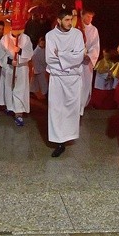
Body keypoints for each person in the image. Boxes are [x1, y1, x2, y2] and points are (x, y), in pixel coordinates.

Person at [45, 8, 87, 157]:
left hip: (73, 79)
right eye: (67, 20)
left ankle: (68, 136)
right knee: (56, 110)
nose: (70, 23)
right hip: (57, 79)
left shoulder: (77, 34)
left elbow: (79, 56)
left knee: (71, 110)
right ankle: (59, 142)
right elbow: (50, 59)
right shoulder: (50, 36)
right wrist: (69, 58)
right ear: (59, 20)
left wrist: (61, 54)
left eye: (71, 20)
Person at [0, 29, 33, 127]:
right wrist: (9, 61)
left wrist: (20, 51)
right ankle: (10, 107)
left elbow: (29, 53)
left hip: (21, 69)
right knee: (9, 88)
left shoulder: (26, 39)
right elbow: (1, 54)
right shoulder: (4, 39)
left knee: (20, 90)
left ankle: (19, 113)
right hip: (9, 69)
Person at [80, 9, 100, 112]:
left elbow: (95, 46)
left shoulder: (94, 30)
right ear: (82, 16)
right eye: (88, 16)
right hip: (76, 61)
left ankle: (82, 106)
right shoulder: (77, 27)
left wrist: (89, 56)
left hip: (87, 61)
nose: (89, 19)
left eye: (91, 17)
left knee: (86, 84)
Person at [30, 36, 48, 100]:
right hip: (39, 70)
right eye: (42, 43)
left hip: (38, 69)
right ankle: (46, 95)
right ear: (39, 43)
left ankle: (31, 92)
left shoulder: (42, 50)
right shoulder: (37, 52)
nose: (43, 44)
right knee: (43, 84)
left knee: (35, 83)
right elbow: (43, 61)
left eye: (44, 43)